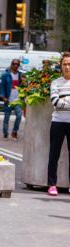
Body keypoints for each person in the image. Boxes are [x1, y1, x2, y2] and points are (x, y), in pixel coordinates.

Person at [47, 52, 70, 197]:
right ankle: (52, 184)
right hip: (58, 122)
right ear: (60, 66)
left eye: (69, 64)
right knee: (54, 155)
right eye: (65, 64)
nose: (67, 67)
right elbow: (55, 102)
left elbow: (60, 103)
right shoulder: (55, 83)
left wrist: (64, 101)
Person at [0, 58, 23, 140]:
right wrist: (3, 97)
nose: (16, 65)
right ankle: (5, 134)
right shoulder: (6, 75)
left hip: (17, 100)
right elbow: (2, 86)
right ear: (11, 64)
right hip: (8, 100)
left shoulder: (20, 75)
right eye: (14, 64)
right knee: (6, 118)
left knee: (19, 116)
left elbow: (23, 87)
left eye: (17, 64)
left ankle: (14, 132)